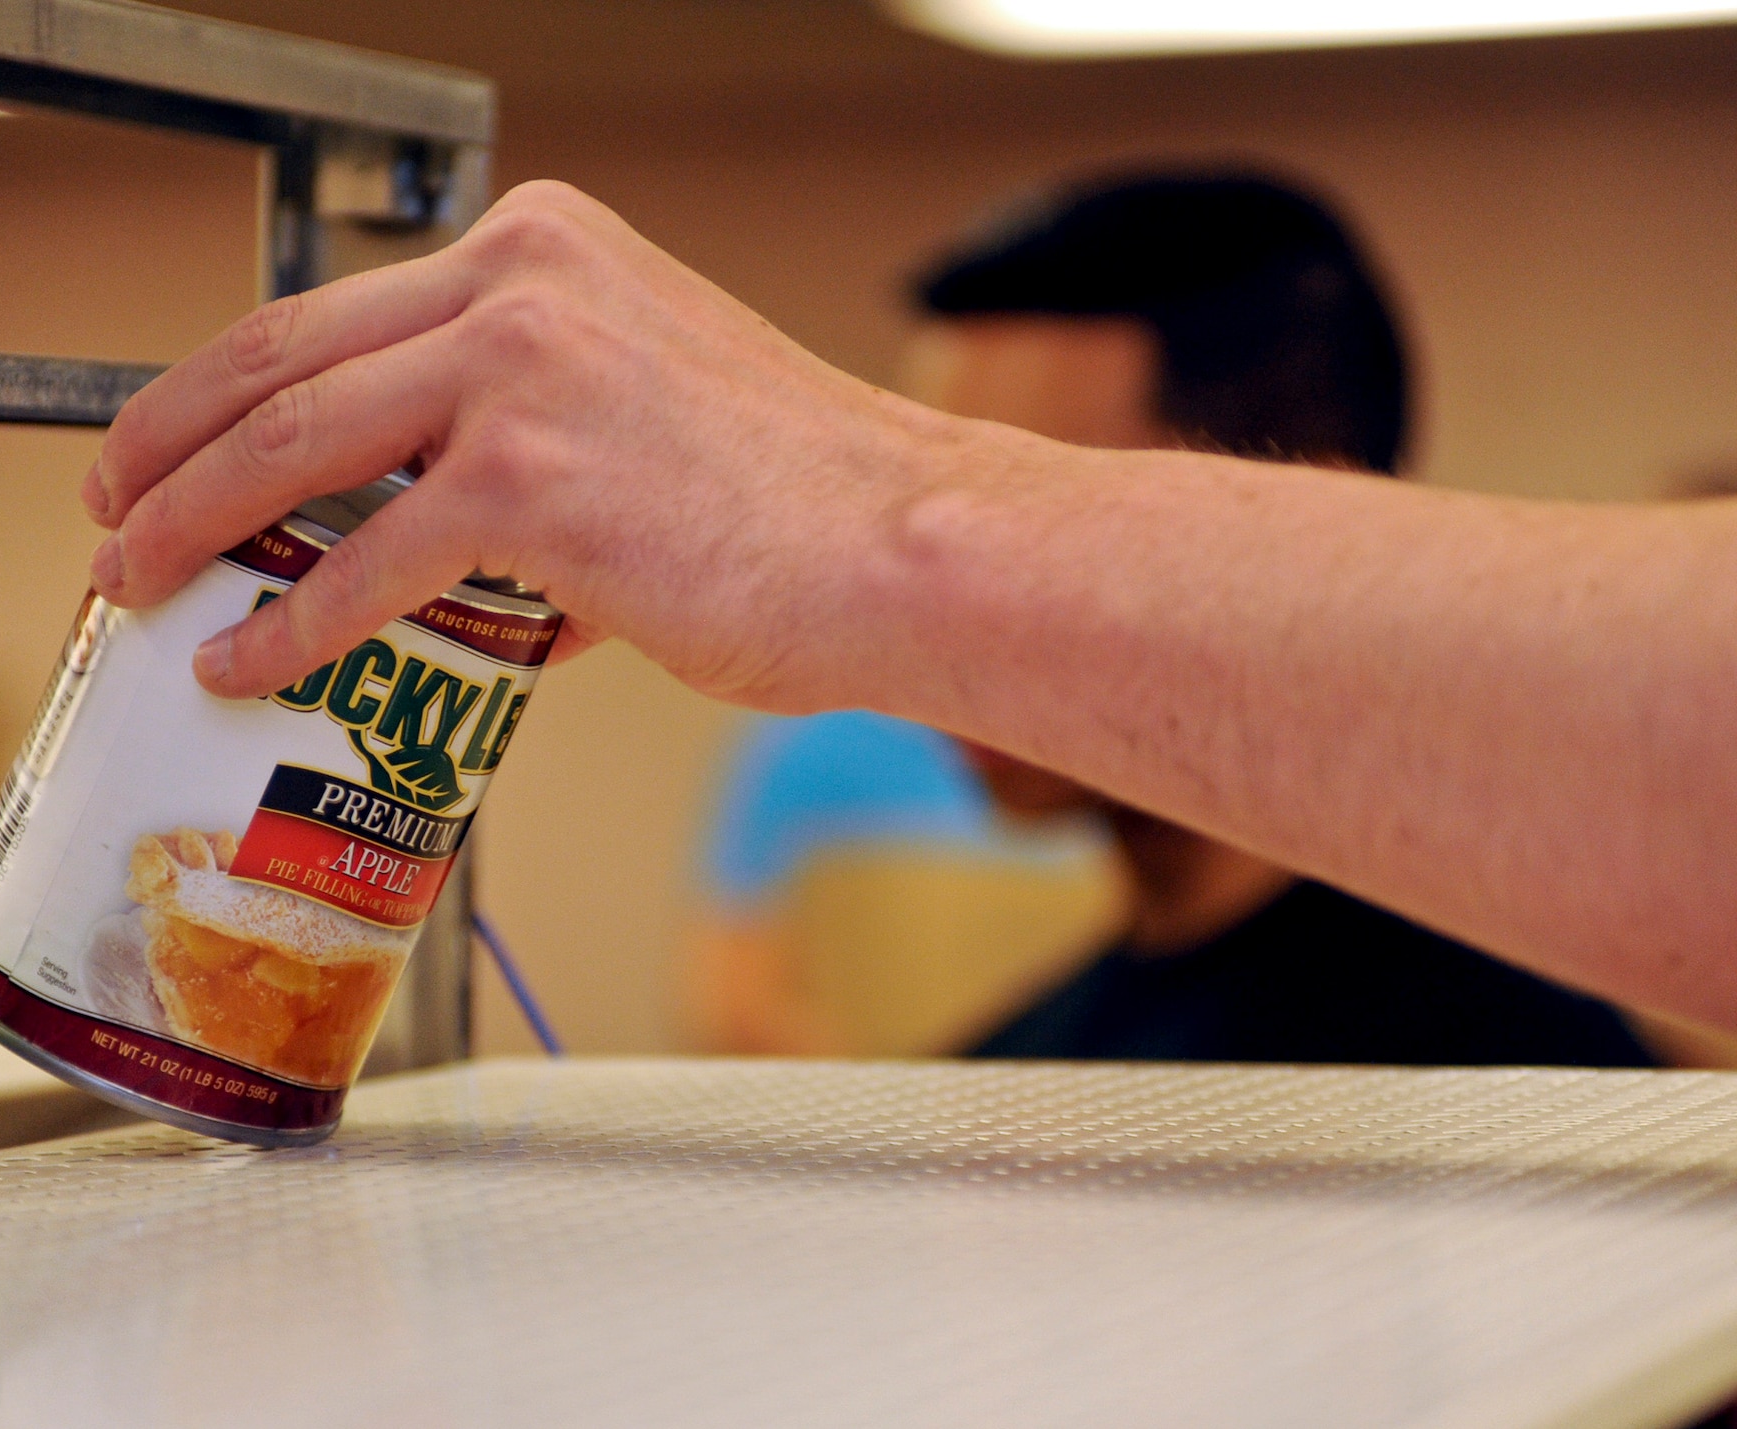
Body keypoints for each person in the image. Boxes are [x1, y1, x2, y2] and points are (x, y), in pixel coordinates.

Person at [78, 179, 1737, 1040]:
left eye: (1056, 483)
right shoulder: (1034, 1063)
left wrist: (908, 524)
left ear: (1300, 490)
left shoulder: (1517, 1092)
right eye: (955, 441)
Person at [703, 172, 1657, 1066]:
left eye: (1029, 527)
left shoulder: (1514, 1081)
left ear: (1297, 526)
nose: (933, 611)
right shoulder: (1020, 1074)